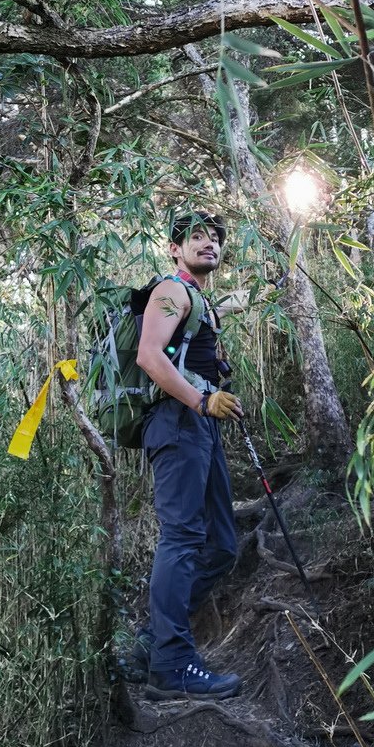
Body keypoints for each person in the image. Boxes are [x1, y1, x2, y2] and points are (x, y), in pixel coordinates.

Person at [134, 210, 244, 701]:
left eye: (214, 238)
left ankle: (154, 642)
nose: (209, 244)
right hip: (179, 424)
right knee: (181, 539)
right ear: (174, 249)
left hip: (201, 428)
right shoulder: (171, 290)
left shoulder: (199, 299)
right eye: (196, 237)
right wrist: (201, 400)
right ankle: (173, 664)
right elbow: (149, 355)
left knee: (222, 545)